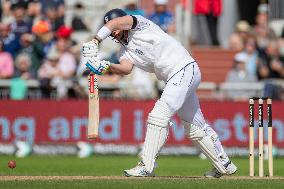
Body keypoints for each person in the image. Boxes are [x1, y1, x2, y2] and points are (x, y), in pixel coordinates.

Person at [81, 8, 237, 178]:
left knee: (158, 116)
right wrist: (106, 66)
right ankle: (224, 164)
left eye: (114, 29)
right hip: (178, 77)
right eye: (111, 31)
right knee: (195, 128)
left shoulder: (140, 24)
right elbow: (125, 69)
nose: (114, 33)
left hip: (183, 69)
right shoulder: (123, 50)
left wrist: (95, 40)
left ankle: (146, 166)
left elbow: (113, 23)